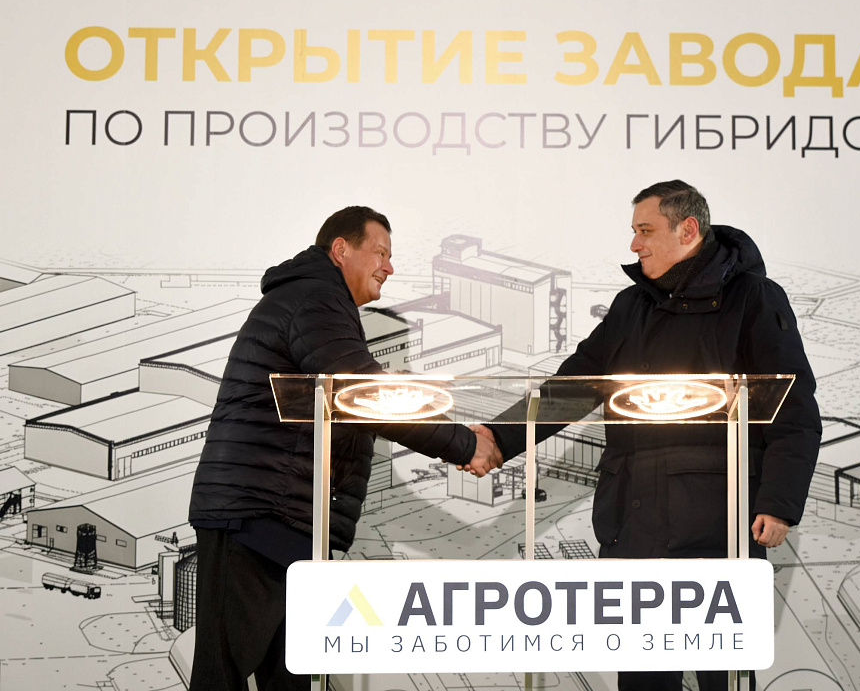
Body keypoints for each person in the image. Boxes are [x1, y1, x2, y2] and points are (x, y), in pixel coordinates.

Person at [471, 181, 821, 691]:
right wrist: (498, 438)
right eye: (634, 232)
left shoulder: (753, 298)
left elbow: (794, 409)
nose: (634, 244)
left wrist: (779, 502)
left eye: (645, 230)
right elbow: (573, 386)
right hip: (632, 528)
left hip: (717, 534)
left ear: (688, 229)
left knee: (721, 681)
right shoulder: (630, 306)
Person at [188, 206, 502, 691]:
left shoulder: (318, 302)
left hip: (286, 523)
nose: (389, 267)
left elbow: (349, 402)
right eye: (380, 252)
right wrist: (466, 445)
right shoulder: (315, 299)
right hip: (257, 520)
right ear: (341, 249)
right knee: (222, 678)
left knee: (288, 680)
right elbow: (366, 396)